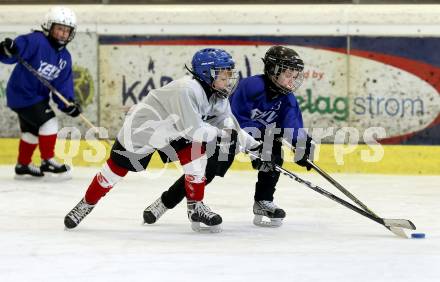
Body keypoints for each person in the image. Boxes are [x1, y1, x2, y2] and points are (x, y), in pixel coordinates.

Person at [64, 48, 261, 233]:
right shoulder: (188, 89)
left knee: (196, 156)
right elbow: (195, 130)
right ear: (207, 74)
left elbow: (229, 127)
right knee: (113, 173)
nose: (228, 80)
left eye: (229, 74)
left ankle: (196, 207)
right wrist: (223, 136)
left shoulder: (219, 98)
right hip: (143, 130)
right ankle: (86, 203)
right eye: (223, 75)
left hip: (174, 131)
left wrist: (256, 146)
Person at [143, 45, 315, 228]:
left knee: (274, 155)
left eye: (295, 76)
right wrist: (255, 144)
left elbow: (292, 123)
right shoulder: (252, 86)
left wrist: (301, 144)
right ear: (273, 71)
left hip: (256, 137)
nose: (292, 81)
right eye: (288, 75)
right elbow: (233, 120)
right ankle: (165, 202)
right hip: (226, 134)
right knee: (206, 171)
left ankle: (263, 202)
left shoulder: (287, 98)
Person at [0, 6, 81, 180]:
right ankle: (47, 161)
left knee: (31, 131)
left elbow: (62, 86)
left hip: (36, 98)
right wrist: (7, 49)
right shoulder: (35, 41)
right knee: (49, 122)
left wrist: (69, 104)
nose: (62, 34)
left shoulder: (65, 58)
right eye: (59, 28)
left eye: (67, 31)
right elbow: (12, 55)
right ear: (48, 26)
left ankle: (23, 165)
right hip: (22, 93)